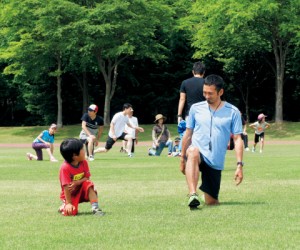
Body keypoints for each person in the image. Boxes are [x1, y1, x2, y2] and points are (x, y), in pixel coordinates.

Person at [180, 74, 244, 209]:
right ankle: (193, 194)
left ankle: (207, 196)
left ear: (220, 92)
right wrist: (182, 158)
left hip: (215, 161)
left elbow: (238, 139)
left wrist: (239, 165)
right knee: (192, 151)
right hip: (197, 153)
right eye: (204, 93)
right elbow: (188, 134)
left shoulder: (233, 112)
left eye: (210, 93)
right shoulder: (195, 108)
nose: (206, 96)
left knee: (212, 203)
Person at [58, 138, 105, 216]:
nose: (84, 151)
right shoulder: (65, 168)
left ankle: (95, 208)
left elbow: (87, 178)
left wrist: (77, 182)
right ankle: (64, 206)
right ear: (74, 155)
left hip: (82, 191)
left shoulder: (84, 162)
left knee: (88, 184)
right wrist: (69, 203)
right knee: (70, 213)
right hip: (70, 194)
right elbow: (66, 187)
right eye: (82, 149)